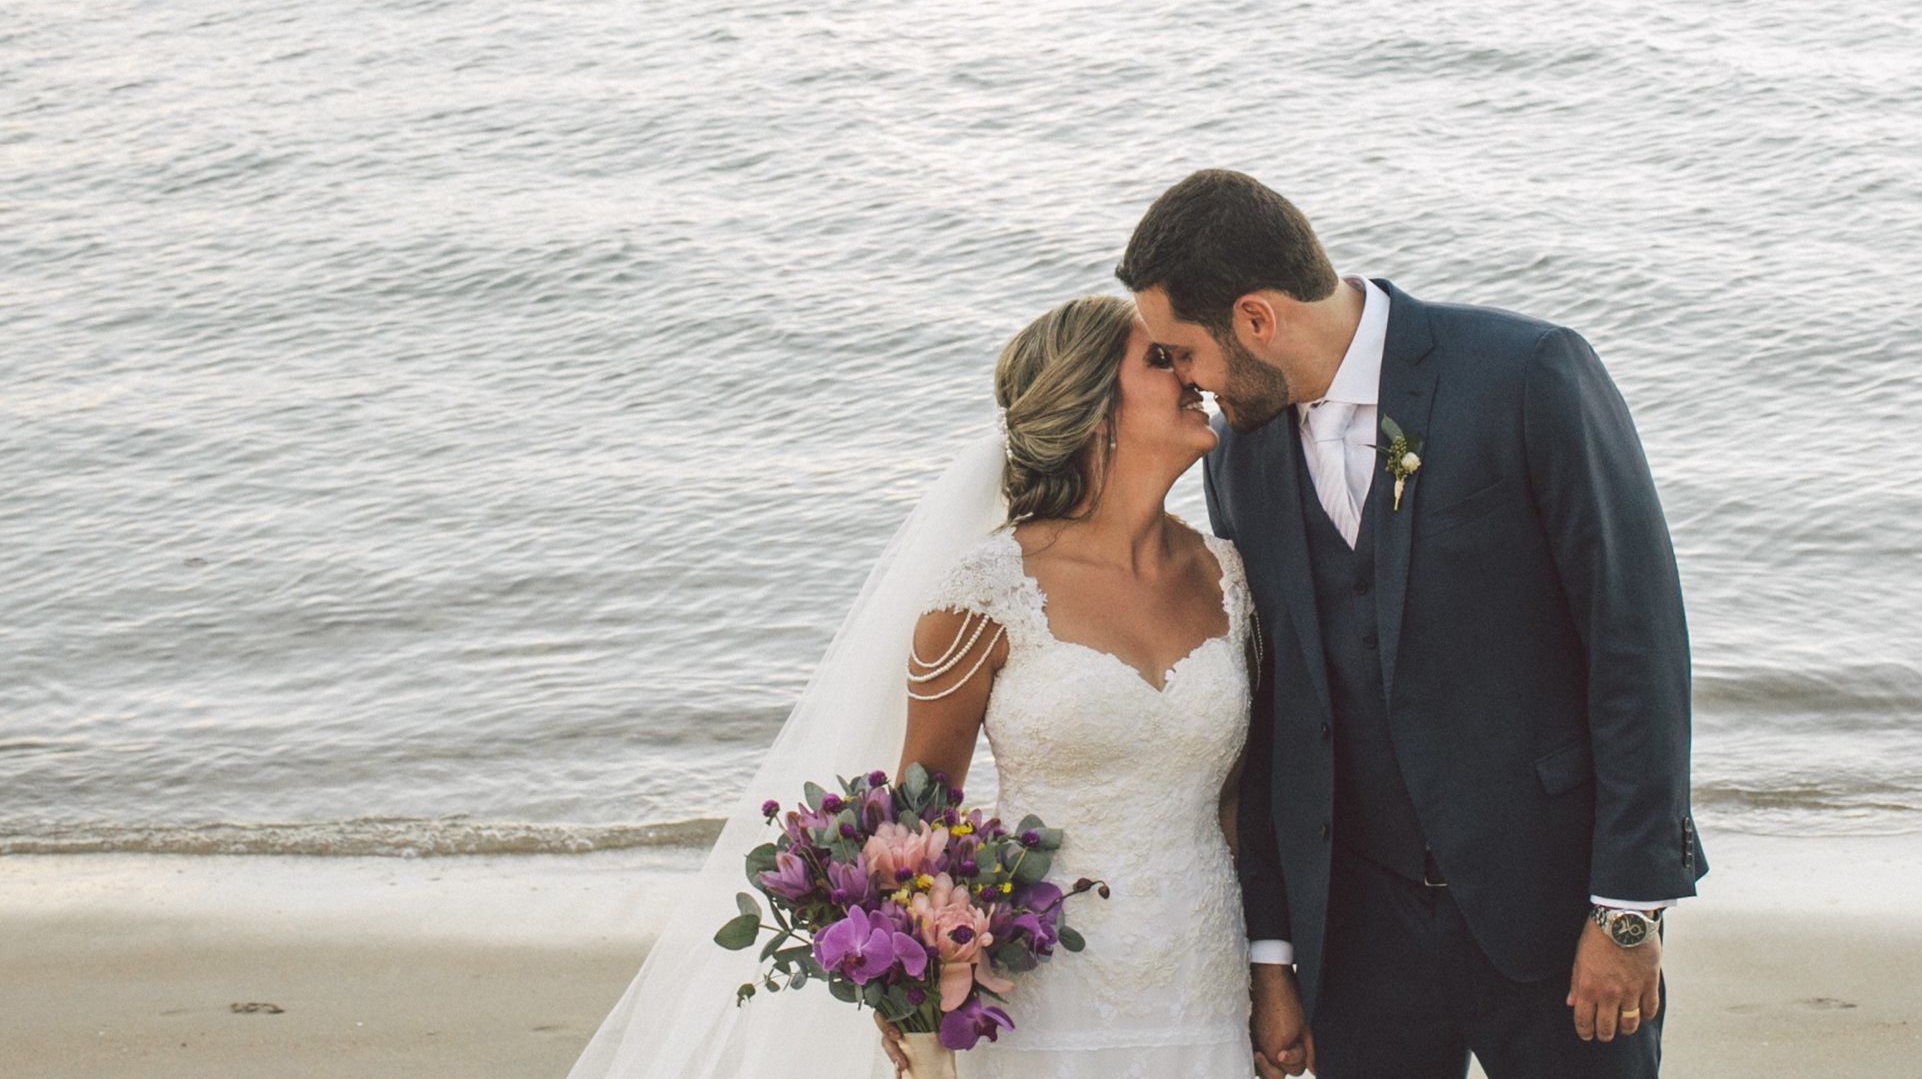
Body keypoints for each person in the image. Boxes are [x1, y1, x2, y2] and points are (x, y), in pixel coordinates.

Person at [568, 295, 1257, 1079]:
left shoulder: (1226, 579)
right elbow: (911, 829)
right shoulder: (985, 595)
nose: (1195, 374)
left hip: (1205, 985)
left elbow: (1238, 808)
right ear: (1093, 404)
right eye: (1162, 360)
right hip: (1047, 999)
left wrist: (1272, 975)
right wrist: (912, 999)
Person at [1117, 170, 1706, 1079]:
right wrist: (1274, 954)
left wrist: (1627, 907)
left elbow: (1637, 642)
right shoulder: (1239, 454)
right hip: (1358, 937)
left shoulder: (1527, 374)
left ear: (1257, 320)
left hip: (1551, 913)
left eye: (1183, 351)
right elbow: (1273, 708)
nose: (1185, 382)